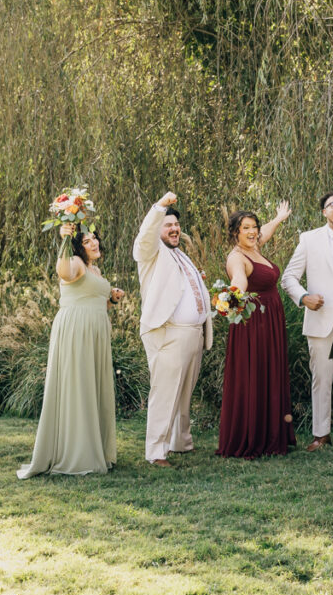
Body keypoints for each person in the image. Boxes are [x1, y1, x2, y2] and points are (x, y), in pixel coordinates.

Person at [18, 224, 124, 478]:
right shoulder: (74, 261)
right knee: (78, 386)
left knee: (92, 386)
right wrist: (64, 240)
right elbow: (64, 273)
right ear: (78, 247)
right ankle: (77, 454)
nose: (94, 243)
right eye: (87, 241)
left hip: (95, 333)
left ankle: (95, 448)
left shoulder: (95, 269)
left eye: (94, 239)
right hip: (76, 331)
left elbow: (97, 302)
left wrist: (112, 299)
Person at [133, 192, 213, 468]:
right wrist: (160, 207)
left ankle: (180, 441)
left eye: (176, 225)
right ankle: (156, 452)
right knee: (165, 391)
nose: (174, 229)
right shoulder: (151, 252)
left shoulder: (180, 256)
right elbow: (144, 238)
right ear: (158, 229)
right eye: (167, 225)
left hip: (193, 333)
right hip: (169, 332)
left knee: (184, 393)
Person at [281, 191, 333, 451]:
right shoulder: (309, 240)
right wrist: (304, 297)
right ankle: (321, 434)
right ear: (324, 212)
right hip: (320, 315)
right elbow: (288, 278)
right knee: (322, 377)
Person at [216, 202, 296, 458]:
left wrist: (278, 218)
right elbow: (238, 281)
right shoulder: (237, 258)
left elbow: (267, 231)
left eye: (254, 227)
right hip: (255, 325)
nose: (252, 232)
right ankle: (253, 435)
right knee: (256, 371)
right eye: (246, 228)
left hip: (271, 319)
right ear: (235, 233)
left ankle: (271, 431)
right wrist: (230, 298)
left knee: (270, 370)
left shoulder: (256, 245)